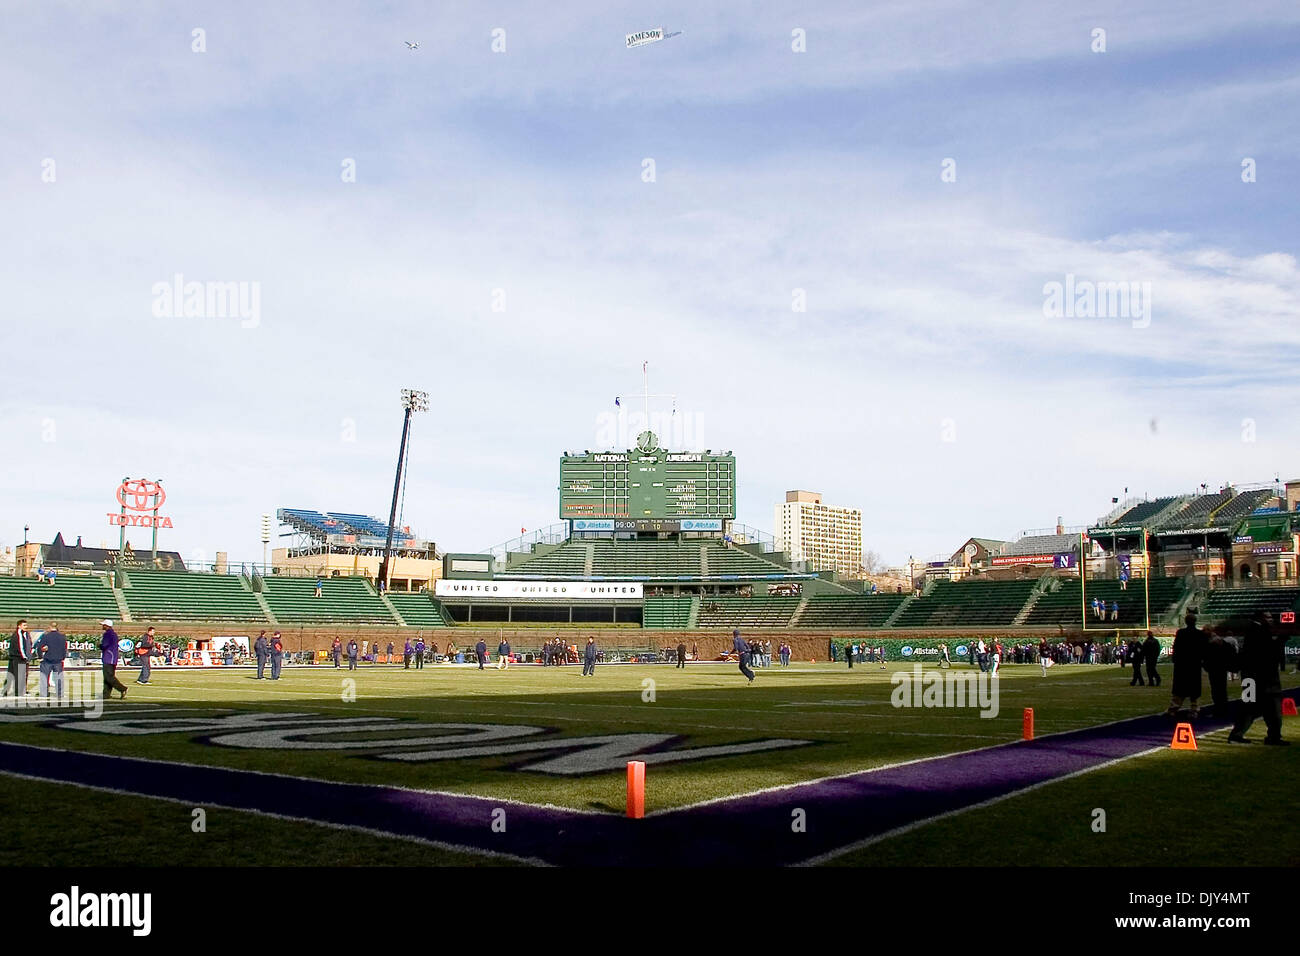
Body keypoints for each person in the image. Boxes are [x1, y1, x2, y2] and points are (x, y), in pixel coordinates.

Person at [1229, 611, 1288, 745]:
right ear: (1260, 618)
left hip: (1253, 678)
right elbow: (1268, 654)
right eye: (1268, 617)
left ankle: (1238, 735)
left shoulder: (1254, 631)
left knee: (1252, 707)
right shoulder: (1259, 632)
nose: (1271, 619)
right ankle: (1272, 737)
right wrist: (1281, 640)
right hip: (1262, 679)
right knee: (1268, 708)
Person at [1166, 610, 1208, 718]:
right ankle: (1194, 710)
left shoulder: (1181, 633)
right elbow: (1204, 650)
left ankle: (1173, 709)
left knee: (1179, 689)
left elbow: (1176, 648)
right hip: (1194, 665)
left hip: (1182, 665)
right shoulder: (1200, 634)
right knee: (1194, 689)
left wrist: (1175, 660)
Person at [1202, 632, 1234, 718]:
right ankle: (1224, 709)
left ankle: (1219, 710)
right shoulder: (1225, 645)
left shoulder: (1211, 646)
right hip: (1222, 669)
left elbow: (1206, 658)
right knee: (1222, 690)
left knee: (1216, 691)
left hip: (1215, 670)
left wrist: (1206, 666)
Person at [36, 623, 67, 700]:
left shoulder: (46, 636)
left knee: (44, 677)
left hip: (47, 659)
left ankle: (44, 694)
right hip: (58, 660)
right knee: (59, 678)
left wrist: (40, 657)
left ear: (49, 627)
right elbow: (64, 648)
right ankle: (60, 694)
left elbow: (39, 647)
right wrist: (63, 657)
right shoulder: (62, 637)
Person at [100, 620, 127, 700]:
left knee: (108, 677)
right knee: (108, 677)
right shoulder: (114, 634)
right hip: (113, 658)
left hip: (108, 658)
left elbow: (105, 645)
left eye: (103, 625)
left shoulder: (107, 634)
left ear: (107, 626)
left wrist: (100, 645)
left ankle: (122, 688)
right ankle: (106, 694)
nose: (102, 626)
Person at [4, 619, 31, 697]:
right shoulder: (19, 634)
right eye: (24, 625)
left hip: (14, 657)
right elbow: (21, 647)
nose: (26, 627)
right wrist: (25, 657)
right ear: (19, 626)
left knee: (11, 674)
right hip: (18, 657)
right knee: (19, 675)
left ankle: (5, 691)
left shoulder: (22, 634)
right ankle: (18, 692)